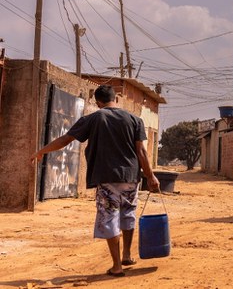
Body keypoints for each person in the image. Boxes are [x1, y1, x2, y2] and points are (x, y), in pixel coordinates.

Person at [31, 84, 161, 277]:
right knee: (128, 214)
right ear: (115, 99)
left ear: (98, 102)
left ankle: (117, 266)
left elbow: (65, 140)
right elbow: (141, 151)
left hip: (106, 177)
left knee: (109, 218)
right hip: (131, 177)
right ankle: (126, 255)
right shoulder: (135, 120)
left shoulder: (93, 118)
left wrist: (41, 151)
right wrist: (150, 176)